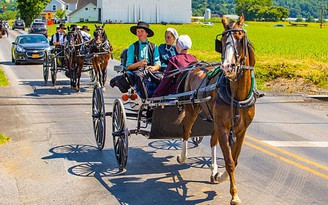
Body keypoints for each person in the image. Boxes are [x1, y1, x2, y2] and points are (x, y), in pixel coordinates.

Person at [126, 21, 161, 99]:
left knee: (161, 77)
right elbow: (128, 66)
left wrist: (154, 67)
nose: (139, 33)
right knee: (139, 76)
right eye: (138, 31)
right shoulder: (132, 47)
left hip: (150, 70)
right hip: (137, 70)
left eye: (142, 31)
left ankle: (159, 98)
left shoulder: (154, 47)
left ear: (147, 33)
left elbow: (158, 63)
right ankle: (145, 99)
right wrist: (138, 64)